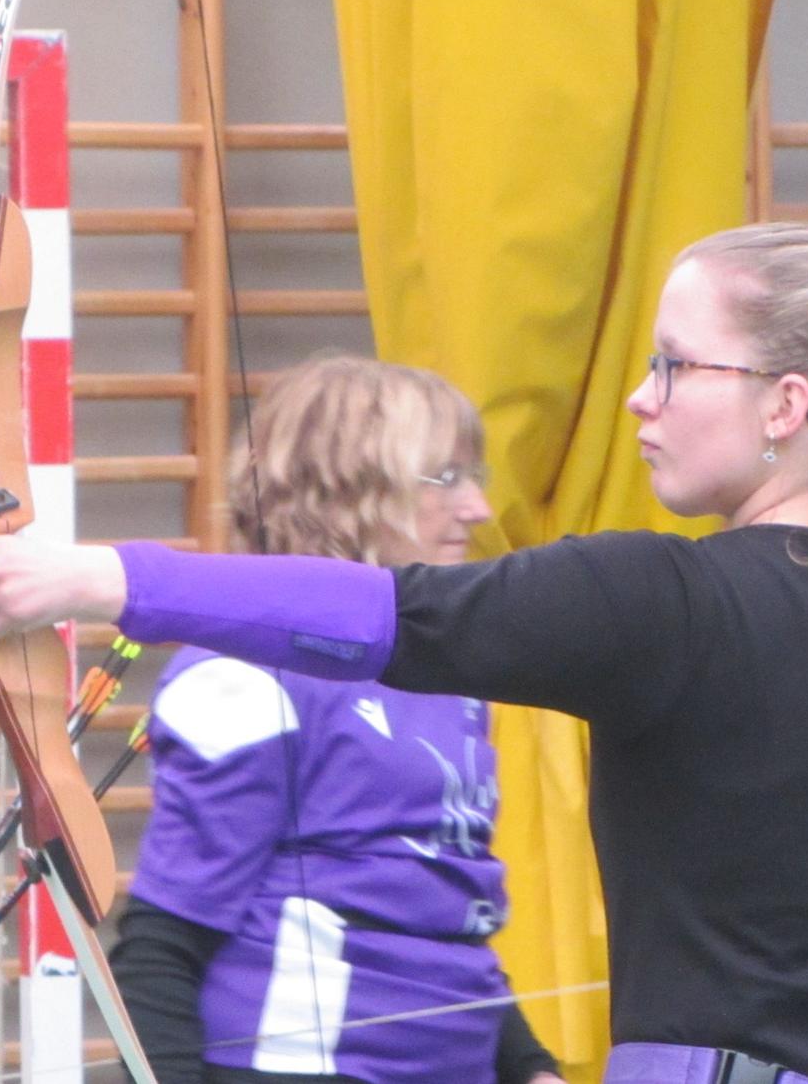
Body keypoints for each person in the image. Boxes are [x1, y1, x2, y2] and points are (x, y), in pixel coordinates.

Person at [0, 222, 808, 1084]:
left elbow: (383, 614)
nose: (639, 396)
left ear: (786, 405)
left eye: (674, 365)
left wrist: (103, 577)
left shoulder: (658, 601)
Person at [109, 356, 563, 1084]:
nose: (477, 507)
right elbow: (164, 944)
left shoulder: (449, 672)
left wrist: (531, 1066)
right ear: (347, 491)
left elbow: (437, 907)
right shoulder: (248, 675)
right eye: (444, 477)